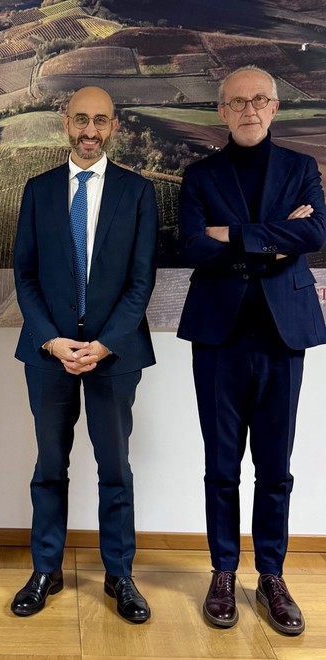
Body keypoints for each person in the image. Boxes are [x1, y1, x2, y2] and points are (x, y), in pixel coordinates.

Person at [177, 65, 326, 635]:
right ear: (222, 111)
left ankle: (271, 574)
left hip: (284, 334)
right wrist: (271, 236)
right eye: (238, 101)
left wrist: (232, 235)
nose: (249, 110)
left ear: (274, 107)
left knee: (276, 468)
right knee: (221, 467)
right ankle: (222, 571)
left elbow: (315, 235)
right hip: (219, 335)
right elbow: (192, 245)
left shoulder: (301, 168)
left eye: (260, 100)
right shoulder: (199, 175)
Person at [11, 86, 158, 621]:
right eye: (80, 120)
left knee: (114, 467)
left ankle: (120, 574)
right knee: (50, 465)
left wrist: (103, 343)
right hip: (47, 353)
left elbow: (142, 281)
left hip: (113, 355)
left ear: (114, 126)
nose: (89, 130)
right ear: (64, 122)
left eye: (100, 121)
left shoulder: (138, 192)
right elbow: (24, 274)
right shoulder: (38, 190)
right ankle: (45, 570)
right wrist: (52, 339)